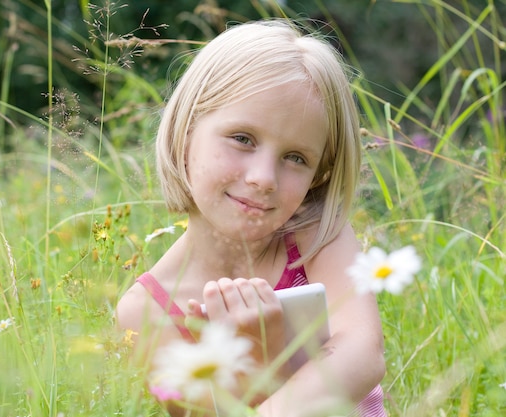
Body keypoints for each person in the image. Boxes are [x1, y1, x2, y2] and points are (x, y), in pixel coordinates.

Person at [116, 19, 387, 417]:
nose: (263, 179)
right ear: (187, 130)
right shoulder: (149, 312)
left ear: (320, 174)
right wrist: (252, 359)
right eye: (243, 138)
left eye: (296, 158)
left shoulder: (314, 236)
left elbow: (362, 355)